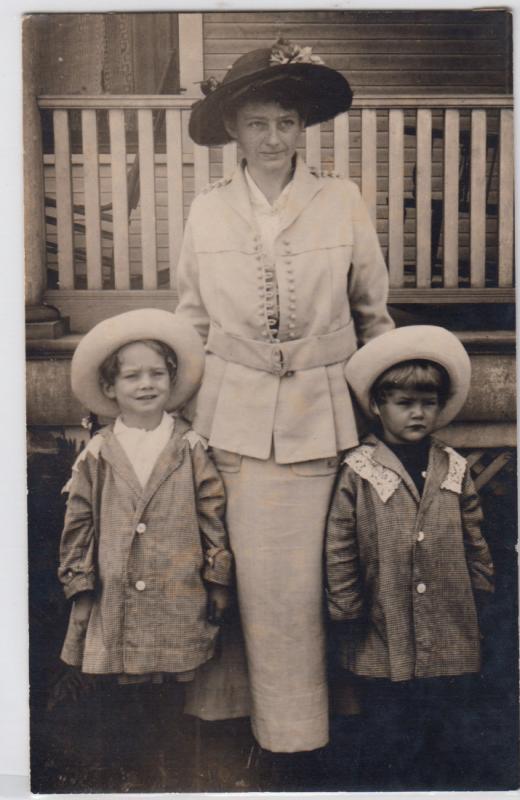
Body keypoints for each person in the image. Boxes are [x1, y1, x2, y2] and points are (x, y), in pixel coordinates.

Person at [176, 36, 394, 760]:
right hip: (232, 415)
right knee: (241, 571)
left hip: (322, 413)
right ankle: (239, 719)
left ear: (303, 130)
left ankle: (307, 732)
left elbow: (372, 314)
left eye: (287, 123)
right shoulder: (207, 211)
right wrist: (179, 408)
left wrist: (378, 407)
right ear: (233, 131)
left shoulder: (341, 201)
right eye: (259, 123)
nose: (274, 138)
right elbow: (192, 320)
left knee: (311, 577)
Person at [57, 309, 233, 786]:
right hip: (117, 592)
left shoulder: (190, 446)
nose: (146, 384)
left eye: (157, 373)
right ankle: (130, 775)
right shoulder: (98, 451)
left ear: (172, 381)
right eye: (132, 376)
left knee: (173, 690)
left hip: (177, 589)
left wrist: (217, 578)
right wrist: (81, 586)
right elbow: (80, 522)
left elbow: (211, 512)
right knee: (124, 689)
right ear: (111, 388)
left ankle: (175, 775)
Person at [325, 325, 495, 787]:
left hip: (448, 615)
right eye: (404, 403)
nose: (418, 413)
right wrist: (346, 607)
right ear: (378, 407)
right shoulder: (360, 469)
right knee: (388, 720)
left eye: (428, 402)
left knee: (443, 717)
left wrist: (481, 591)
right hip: (384, 617)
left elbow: (473, 534)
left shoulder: (452, 466)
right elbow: (340, 544)